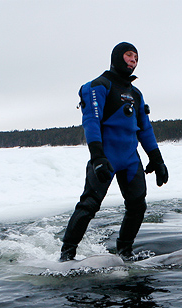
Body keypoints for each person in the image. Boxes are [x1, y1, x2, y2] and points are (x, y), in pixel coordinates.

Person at [60, 42, 168, 262]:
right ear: (117, 57)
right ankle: (67, 255)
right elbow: (91, 121)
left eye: (136, 58)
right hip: (106, 156)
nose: (133, 60)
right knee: (89, 204)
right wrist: (97, 156)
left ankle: (124, 252)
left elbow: (145, 129)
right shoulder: (99, 86)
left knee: (138, 205)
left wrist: (157, 160)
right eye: (129, 55)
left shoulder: (136, 94)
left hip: (130, 159)